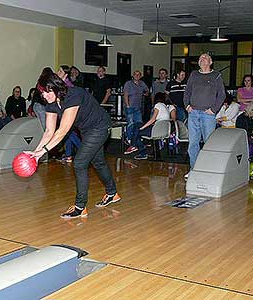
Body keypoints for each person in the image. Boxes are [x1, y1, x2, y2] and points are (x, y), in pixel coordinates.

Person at [27, 70, 120, 219]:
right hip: (87, 130)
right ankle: (112, 193)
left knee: (79, 163)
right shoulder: (51, 104)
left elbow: (62, 131)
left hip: (101, 126)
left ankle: (79, 207)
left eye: (47, 91)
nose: (44, 96)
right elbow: (49, 131)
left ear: (55, 87)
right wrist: (35, 153)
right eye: (42, 93)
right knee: (98, 162)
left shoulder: (73, 95)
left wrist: (43, 151)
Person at [183, 53, 226, 177]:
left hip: (208, 115)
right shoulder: (194, 75)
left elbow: (221, 95)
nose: (202, 59)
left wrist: (214, 110)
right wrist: (187, 106)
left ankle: (208, 171)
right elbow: (187, 92)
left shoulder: (216, 75)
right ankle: (194, 170)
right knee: (193, 144)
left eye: (205, 58)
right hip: (193, 113)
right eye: (200, 58)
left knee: (209, 144)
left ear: (210, 62)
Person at [127, 92, 171, 160]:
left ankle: (137, 148)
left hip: (156, 131)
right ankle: (134, 145)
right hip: (162, 130)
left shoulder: (158, 105)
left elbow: (152, 119)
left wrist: (143, 127)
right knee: (137, 125)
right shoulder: (165, 106)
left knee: (137, 130)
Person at [123, 70, 149, 154]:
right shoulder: (128, 83)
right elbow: (125, 94)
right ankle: (130, 140)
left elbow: (147, 90)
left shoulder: (142, 83)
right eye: (135, 74)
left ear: (140, 76)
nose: (137, 76)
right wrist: (127, 105)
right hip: (130, 107)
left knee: (139, 124)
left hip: (138, 107)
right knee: (130, 123)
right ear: (133, 75)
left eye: (138, 74)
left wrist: (146, 93)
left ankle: (136, 141)